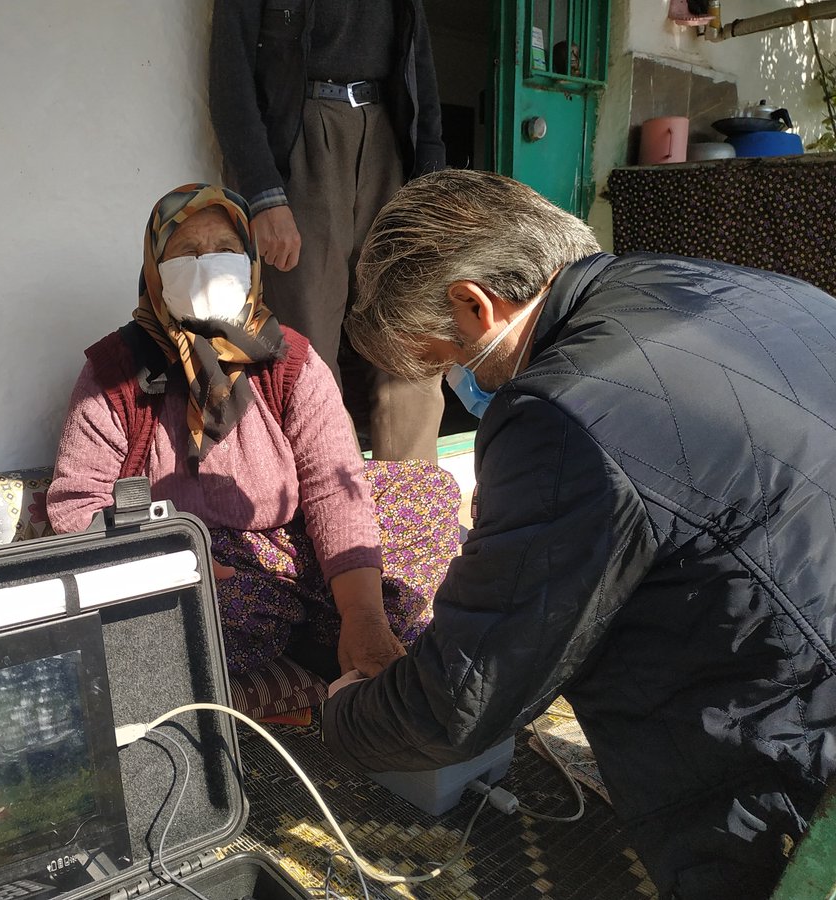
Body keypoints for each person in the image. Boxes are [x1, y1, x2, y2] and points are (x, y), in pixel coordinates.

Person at [321, 169, 836, 899]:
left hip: (795, 757)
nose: (463, 384)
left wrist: (345, 714)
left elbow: (461, 701)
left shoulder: (563, 412)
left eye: (443, 361)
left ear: (476, 305)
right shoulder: (768, 292)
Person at [45, 183, 458, 679]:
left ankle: (338, 628)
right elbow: (76, 505)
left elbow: (334, 486)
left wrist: (362, 612)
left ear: (250, 261)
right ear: (154, 268)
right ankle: (305, 639)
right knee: (201, 625)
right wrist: (176, 562)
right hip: (195, 562)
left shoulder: (289, 360)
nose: (206, 265)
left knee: (425, 494)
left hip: (295, 545)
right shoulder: (117, 370)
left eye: (225, 249)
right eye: (186, 253)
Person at [208, 0, 446, 462]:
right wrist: (263, 193)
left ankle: (411, 518)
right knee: (308, 345)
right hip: (302, 137)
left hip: (387, 136)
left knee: (408, 334)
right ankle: (331, 508)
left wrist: (431, 181)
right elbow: (230, 76)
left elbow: (420, 63)